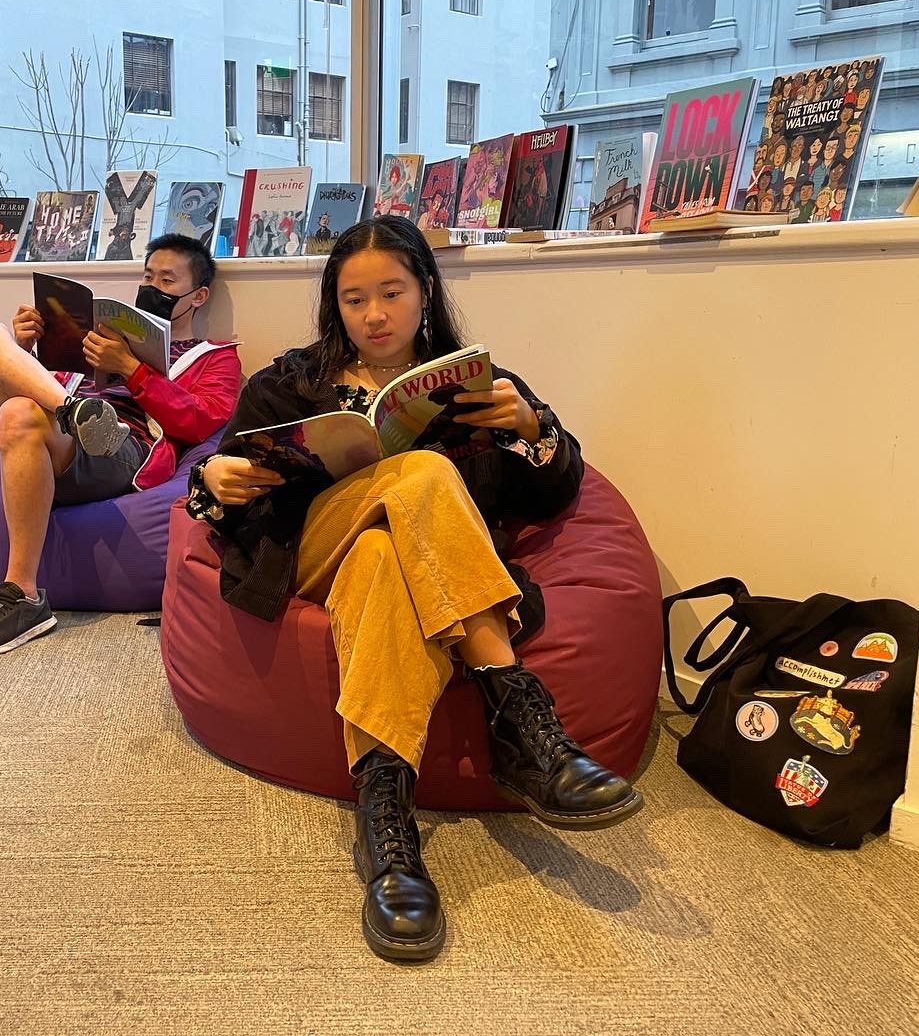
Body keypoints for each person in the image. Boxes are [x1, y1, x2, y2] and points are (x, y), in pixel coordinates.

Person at [185, 216, 641, 962]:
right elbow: (217, 480)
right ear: (335, 304)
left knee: (380, 562)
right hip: (310, 553)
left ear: (424, 290)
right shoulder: (286, 384)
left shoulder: (472, 385)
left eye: (391, 292)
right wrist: (213, 478)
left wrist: (533, 423)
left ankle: (386, 827)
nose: (374, 314)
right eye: (354, 297)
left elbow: (560, 492)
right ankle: (518, 711)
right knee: (421, 476)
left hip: (381, 570)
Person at [0, 233, 242, 658]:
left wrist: (131, 369)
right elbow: (34, 381)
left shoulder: (215, 355)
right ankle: (71, 411)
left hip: (122, 445)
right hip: (65, 422)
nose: (151, 287)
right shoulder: (101, 337)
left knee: (18, 414)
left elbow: (200, 423)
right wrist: (29, 348)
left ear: (198, 296)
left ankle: (22, 595)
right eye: (147, 276)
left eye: (167, 281)